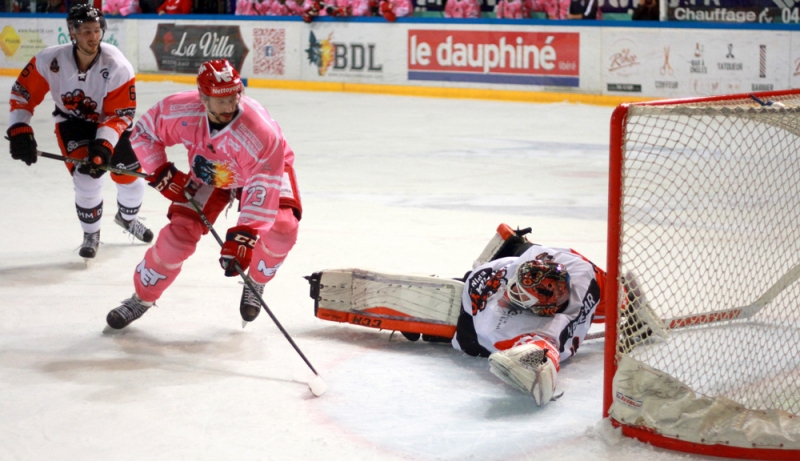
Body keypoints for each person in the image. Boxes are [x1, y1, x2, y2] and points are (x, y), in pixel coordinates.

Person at [307, 224, 614, 406]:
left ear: (542, 308)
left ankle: (450, 327)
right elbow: (522, 263)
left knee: (468, 335)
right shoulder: (538, 269)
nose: (510, 295)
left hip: (495, 326)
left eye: (520, 296)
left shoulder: (545, 323)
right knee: (513, 256)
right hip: (484, 302)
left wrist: (538, 363)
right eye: (514, 287)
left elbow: (542, 349)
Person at [105, 59, 302, 330]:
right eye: (220, 101)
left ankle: (256, 281)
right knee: (177, 237)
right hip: (211, 171)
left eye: (234, 97)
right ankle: (141, 298)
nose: (229, 107)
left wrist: (245, 233)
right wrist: (161, 171)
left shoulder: (259, 133)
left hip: (266, 170)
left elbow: (263, 182)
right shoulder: (181, 109)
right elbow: (144, 133)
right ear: (202, 98)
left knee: (282, 228)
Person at [7, 4, 152, 260]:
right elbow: (22, 94)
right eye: (86, 31)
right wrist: (20, 127)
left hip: (110, 125)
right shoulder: (49, 60)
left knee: (131, 178)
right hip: (72, 123)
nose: (93, 37)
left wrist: (103, 146)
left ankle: (127, 219)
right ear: (72, 32)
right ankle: (91, 233)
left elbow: (120, 114)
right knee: (87, 178)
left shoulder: (118, 65)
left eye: (97, 30)